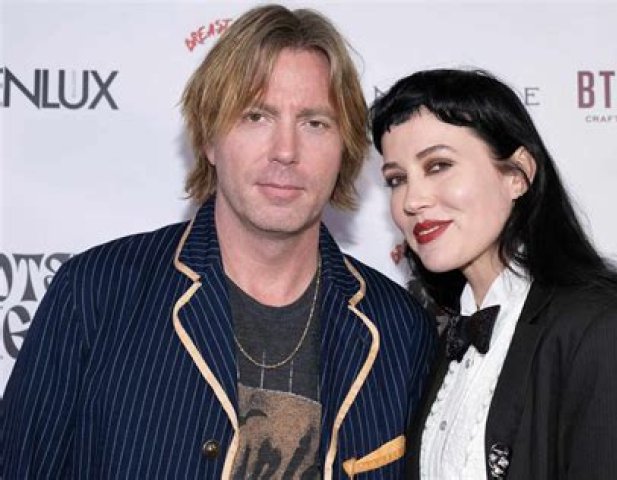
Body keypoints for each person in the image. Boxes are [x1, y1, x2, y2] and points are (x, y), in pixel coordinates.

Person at [2, 5, 436, 479]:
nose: (285, 151)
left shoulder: (400, 330)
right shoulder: (95, 295)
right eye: (257, 116)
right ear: (209, 139)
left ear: (344, 148)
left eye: (314, 123)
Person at [370, 69, 617, 480]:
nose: (412, 200)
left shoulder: (611, 331)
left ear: (517, 174)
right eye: (397, 179)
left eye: (438, 165)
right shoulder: (443, 339)